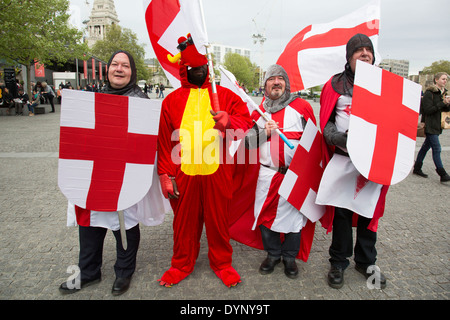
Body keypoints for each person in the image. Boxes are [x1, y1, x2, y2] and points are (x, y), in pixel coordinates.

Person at [157, 35, 252, 287]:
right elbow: (164, 142)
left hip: (217, 173)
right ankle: (181, 264)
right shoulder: (171, 101)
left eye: (201, 68)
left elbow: (246, 125)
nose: (197, 72)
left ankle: (222, 263)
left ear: (207, 68)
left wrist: (229, 121)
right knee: (184, 224)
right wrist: (165, 175)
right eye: (192, 69)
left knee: (218, 221)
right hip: (183, 174)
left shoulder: (225, 97)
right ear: (183, 70)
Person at [59, 50, 149, 296]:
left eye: (125, 66)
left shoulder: (140, 101)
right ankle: (88, 273)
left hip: (124, 176)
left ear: (132, 72)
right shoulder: (92, 98)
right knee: (89, 226)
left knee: (125, 226)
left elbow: (145, 145)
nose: (119, 69)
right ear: (108, 69)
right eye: (115, 64)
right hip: (94, 174)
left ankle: (124, 272)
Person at [317, 34, 388, 289]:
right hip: (344, 158)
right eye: (359, 50)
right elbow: (326, 123)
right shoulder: (335, 85)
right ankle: (338, 262)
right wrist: (340, 138)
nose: (365, 53)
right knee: (343, 214)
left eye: (368, 50)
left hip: (374, 161)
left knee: (369, 212)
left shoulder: (384, 84)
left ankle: (366, 261)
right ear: (349, 57)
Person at [243, 65, 316, 279]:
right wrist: (263, 133)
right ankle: (273, 254)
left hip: (294, 175)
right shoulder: (259, 112)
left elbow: (314, 142)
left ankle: (290, 258)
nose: (276, 82)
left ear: (286, 83)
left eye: (280, 78)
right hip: (268, 174)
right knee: (266, 216)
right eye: (271, 79)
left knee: (294, 219)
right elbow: (247, 144)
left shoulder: (302, 107)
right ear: (265, 85)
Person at [413, 72, 450, 183]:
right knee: (437, 148)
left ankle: (417, 168)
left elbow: (445, 110)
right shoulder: (430, 93)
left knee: (425, 147)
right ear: (436, 80)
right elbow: (428, 110)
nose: (445, 81)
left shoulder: (444, 93)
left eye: (446, 79)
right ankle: (442, 173)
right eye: (443, 79)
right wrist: (442, 103)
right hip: (429, 125)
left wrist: (447, 104)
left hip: (437, 125)